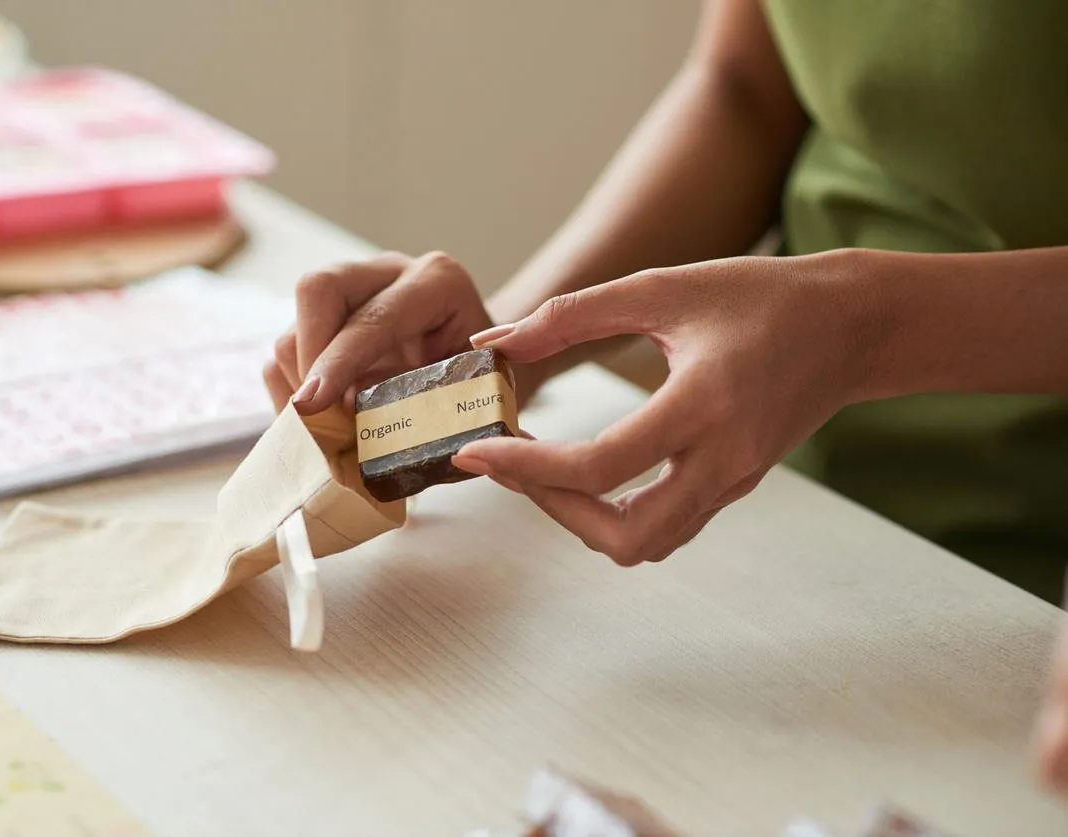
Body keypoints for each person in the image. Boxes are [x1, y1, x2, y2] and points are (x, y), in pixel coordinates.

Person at [262, 0, 1068, 794]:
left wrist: (865, 326)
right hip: (790, 505)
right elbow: (745, 90)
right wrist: (505, 345)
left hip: (1025, 585)